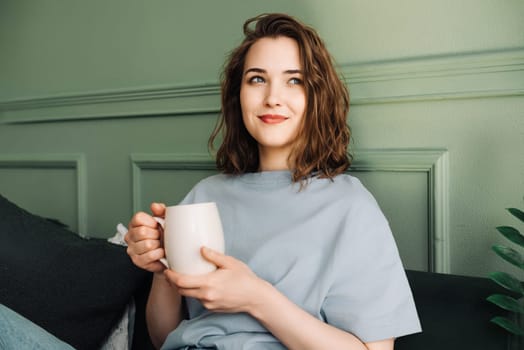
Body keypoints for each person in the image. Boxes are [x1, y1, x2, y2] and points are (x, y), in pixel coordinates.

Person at [125, 13, 421, 350]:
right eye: (256, 79)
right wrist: (162, 270)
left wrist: (257, 299)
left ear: (317, 97)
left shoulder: (351, 207)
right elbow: (164, 338)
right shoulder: (204, 195)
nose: (272, 98)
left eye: (294, 80)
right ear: (239, 94)